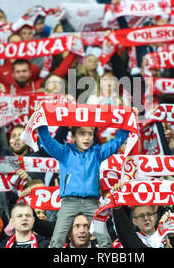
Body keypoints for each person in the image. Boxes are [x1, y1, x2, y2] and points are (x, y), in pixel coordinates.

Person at [36, 105, 137, 248]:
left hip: (92, 203)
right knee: (57, 239)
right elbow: (46, 140)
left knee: (104, 239)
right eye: (82, 134)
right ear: (74, 136)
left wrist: (129, 120)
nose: (87, 137)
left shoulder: (97, 153)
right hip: (69, 202)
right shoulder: (64, 152)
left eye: (90, 133)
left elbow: (117, 142)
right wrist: (40, 122)